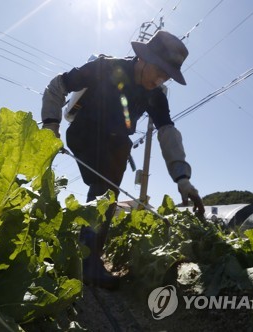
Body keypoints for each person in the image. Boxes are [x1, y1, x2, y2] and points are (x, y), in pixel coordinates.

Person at [41, 30, 205, 289]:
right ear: (143, 58)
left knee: (108, 184)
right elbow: (57, 85)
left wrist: (183, 179)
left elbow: (167, 131)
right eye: (159, 70)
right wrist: (50, 128)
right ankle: (89, 262)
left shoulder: (155, 95)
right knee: (107, 181)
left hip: (114, 143)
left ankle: (85, 252)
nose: (161, 78)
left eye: (167, 75)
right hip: (85, 134)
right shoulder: (106, 68)